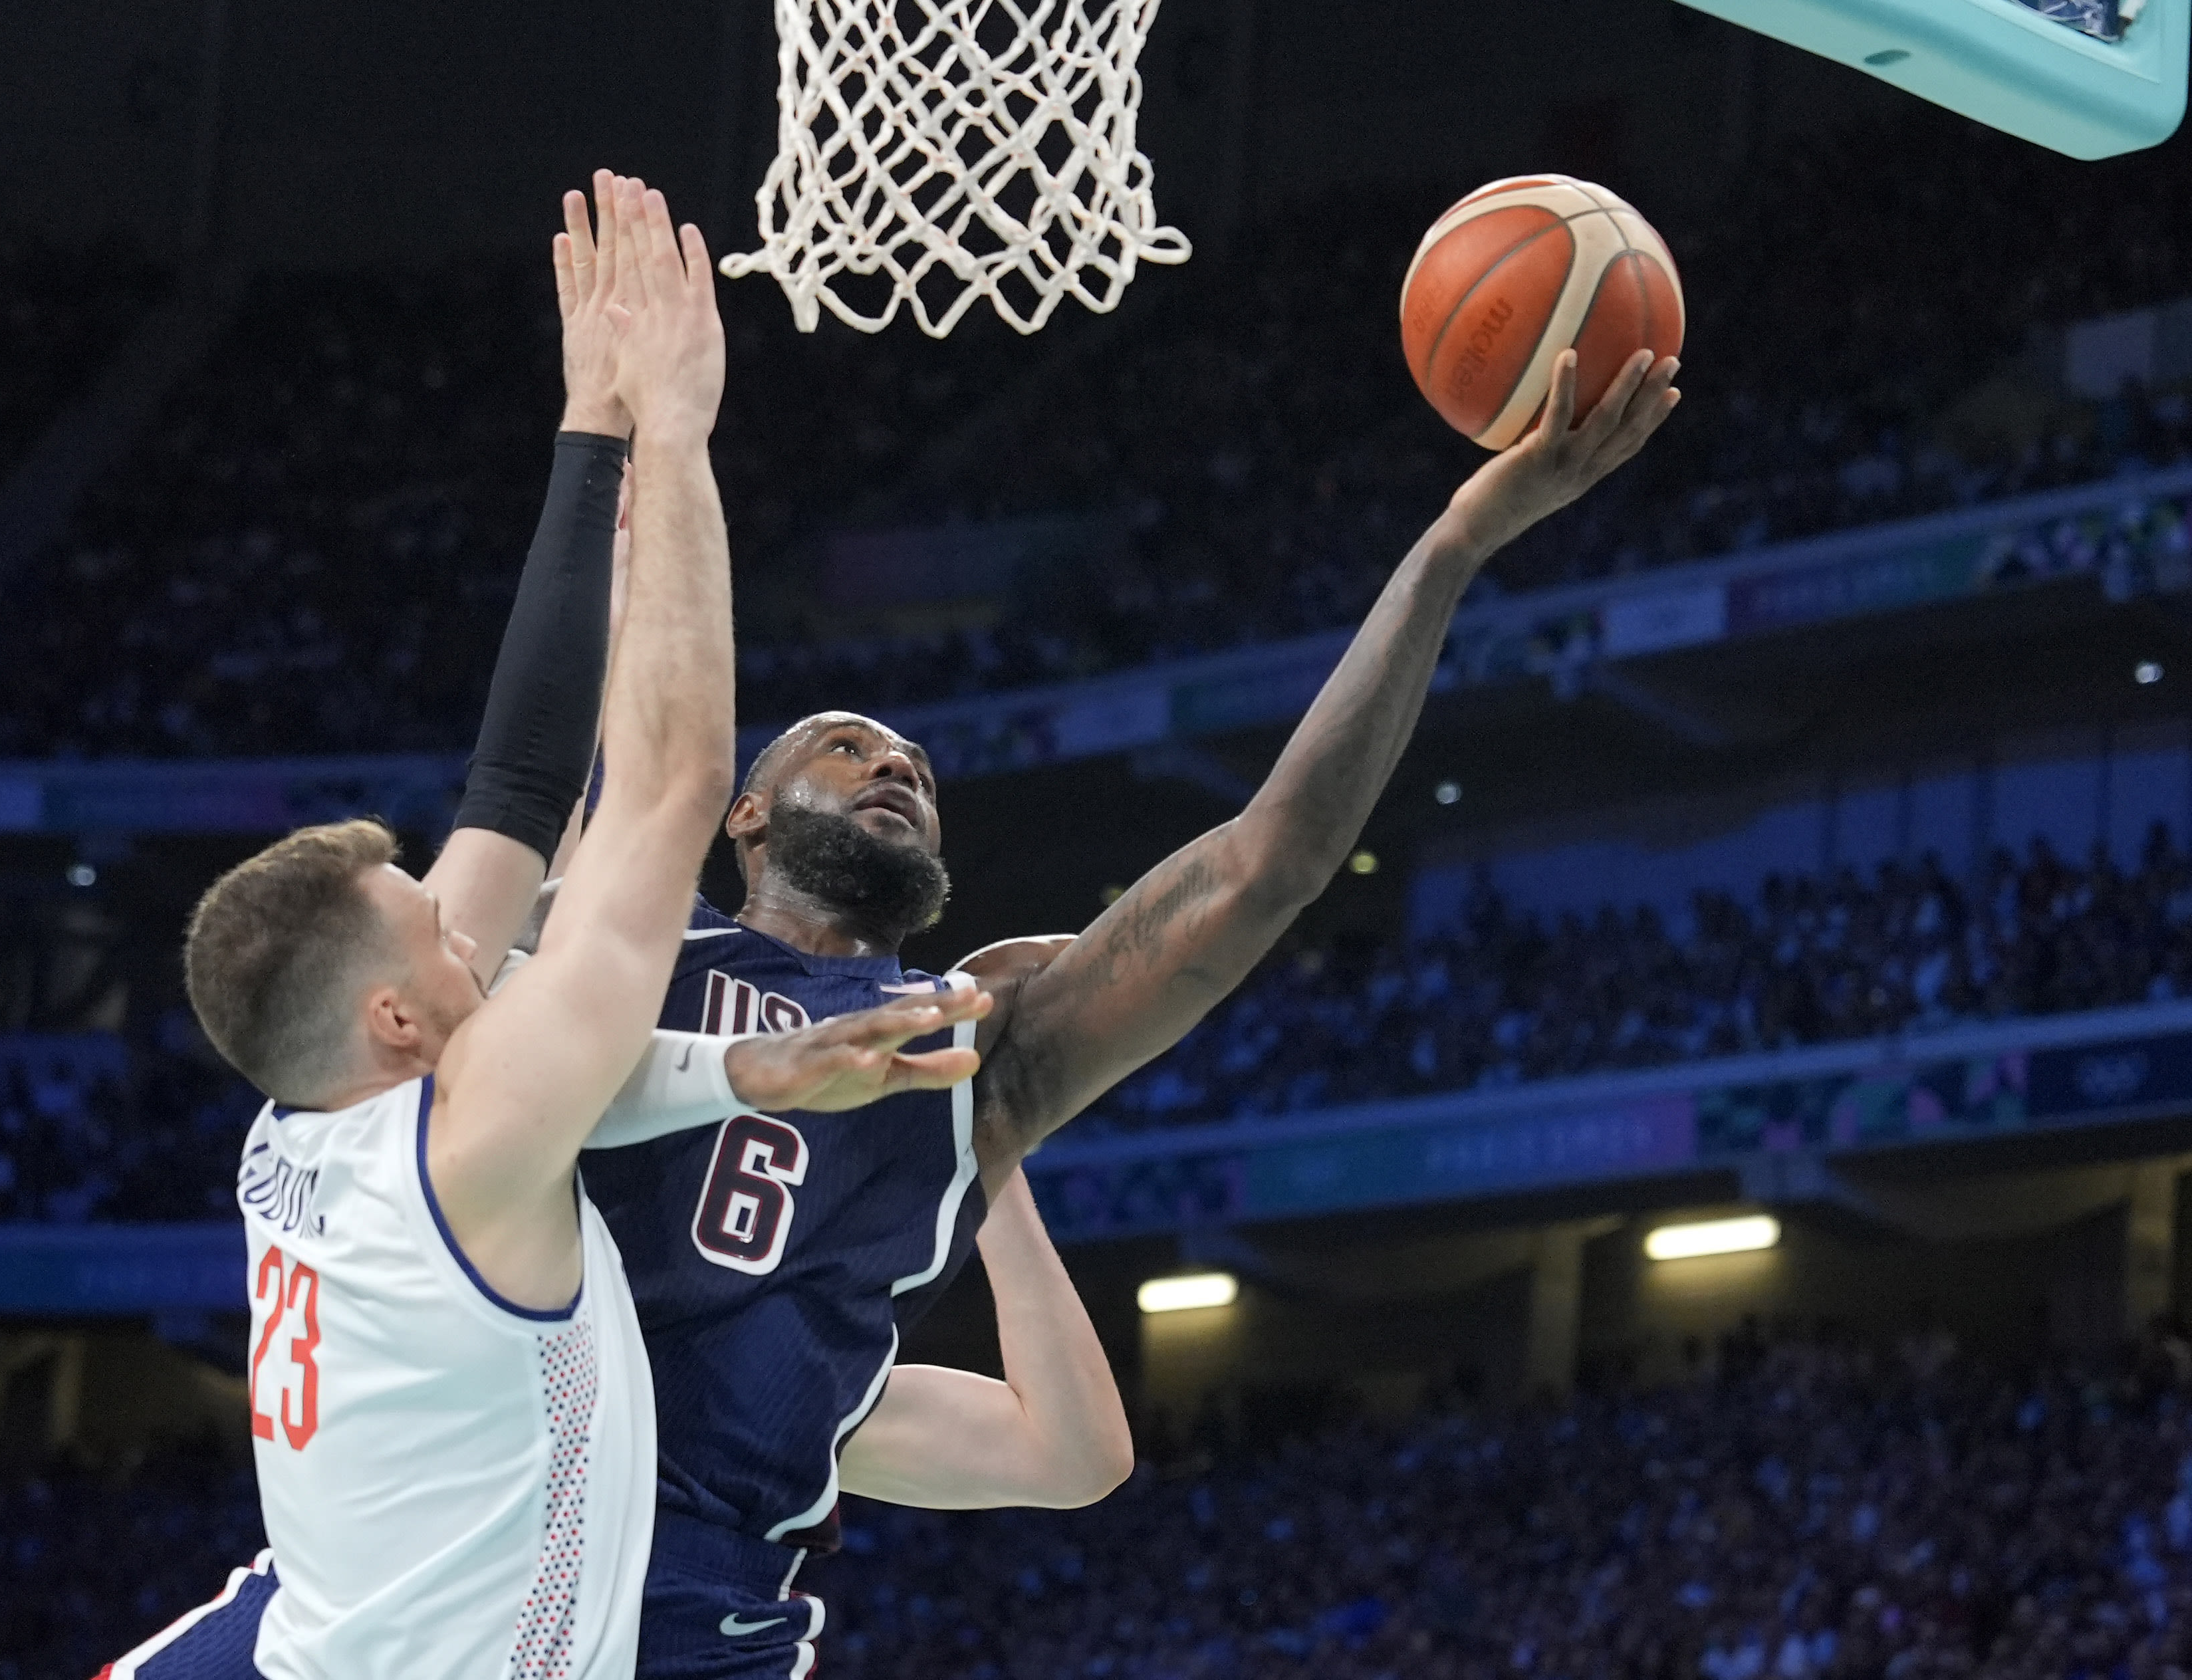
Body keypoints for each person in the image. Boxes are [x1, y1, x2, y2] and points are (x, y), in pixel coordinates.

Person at [99, 176, 1128, 1680]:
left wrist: (589, 438)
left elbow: (515, 781)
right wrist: (678, 431)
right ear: (400, 1020)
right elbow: (664, 793)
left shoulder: (307, 1118)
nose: (479, 941)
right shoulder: (470, 1140)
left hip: (299, 1634)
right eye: (445, 949)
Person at [569, 343, 1685, 1678]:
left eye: (918, 766)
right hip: (475, 1511)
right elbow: (619, 742)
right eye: (849, 743)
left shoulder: (969, 1063)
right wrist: (624, 489)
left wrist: (1452, 544)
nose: (898, 766)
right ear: (745, 812)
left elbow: (1258, 868)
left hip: (692, 1609)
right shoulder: (639, 938)